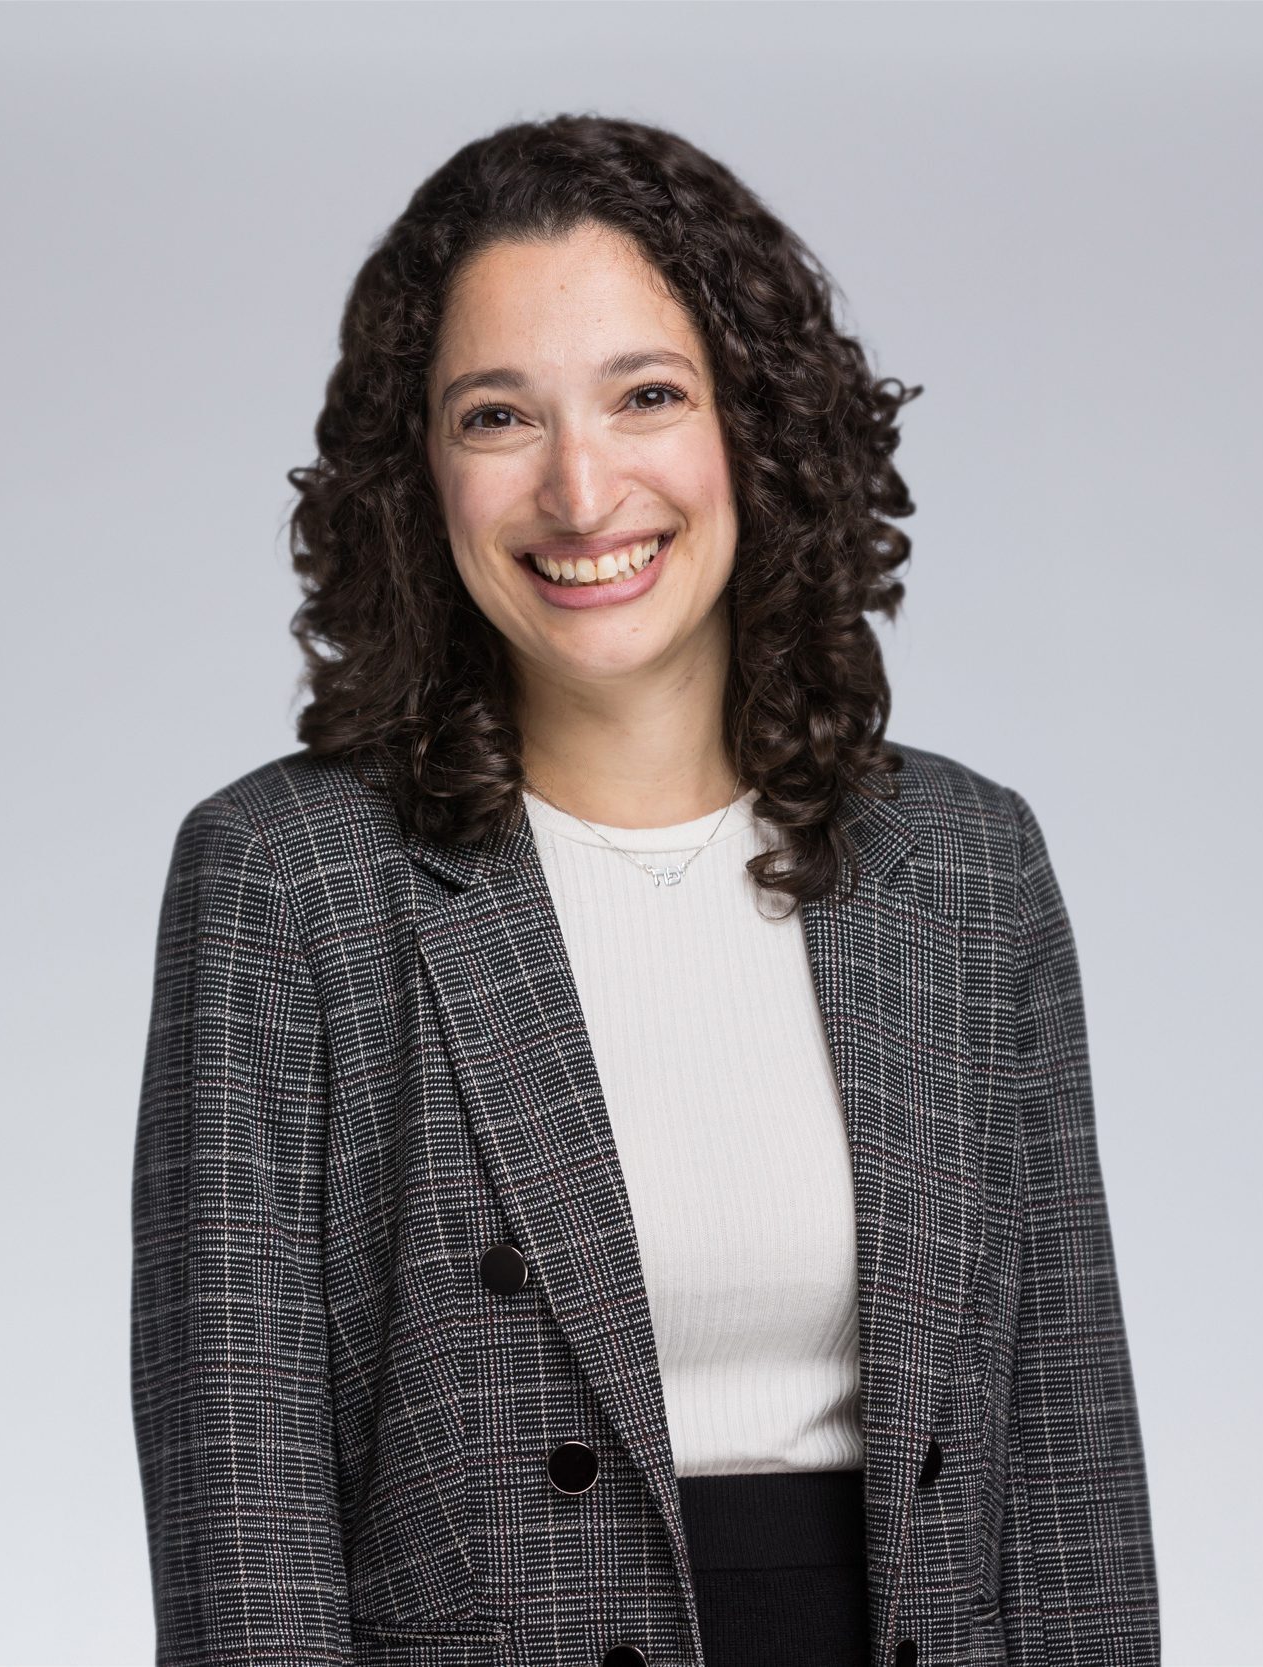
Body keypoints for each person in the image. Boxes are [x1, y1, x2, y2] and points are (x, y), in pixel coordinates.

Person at [130, 113, 1159, 1667]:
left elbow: (1070, 1476)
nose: (580, 486)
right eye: (497, 416)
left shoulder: (966, 870)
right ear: (416, 476)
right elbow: (245, 1535)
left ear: (758, 427)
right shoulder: (289, 885)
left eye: (648, 396)